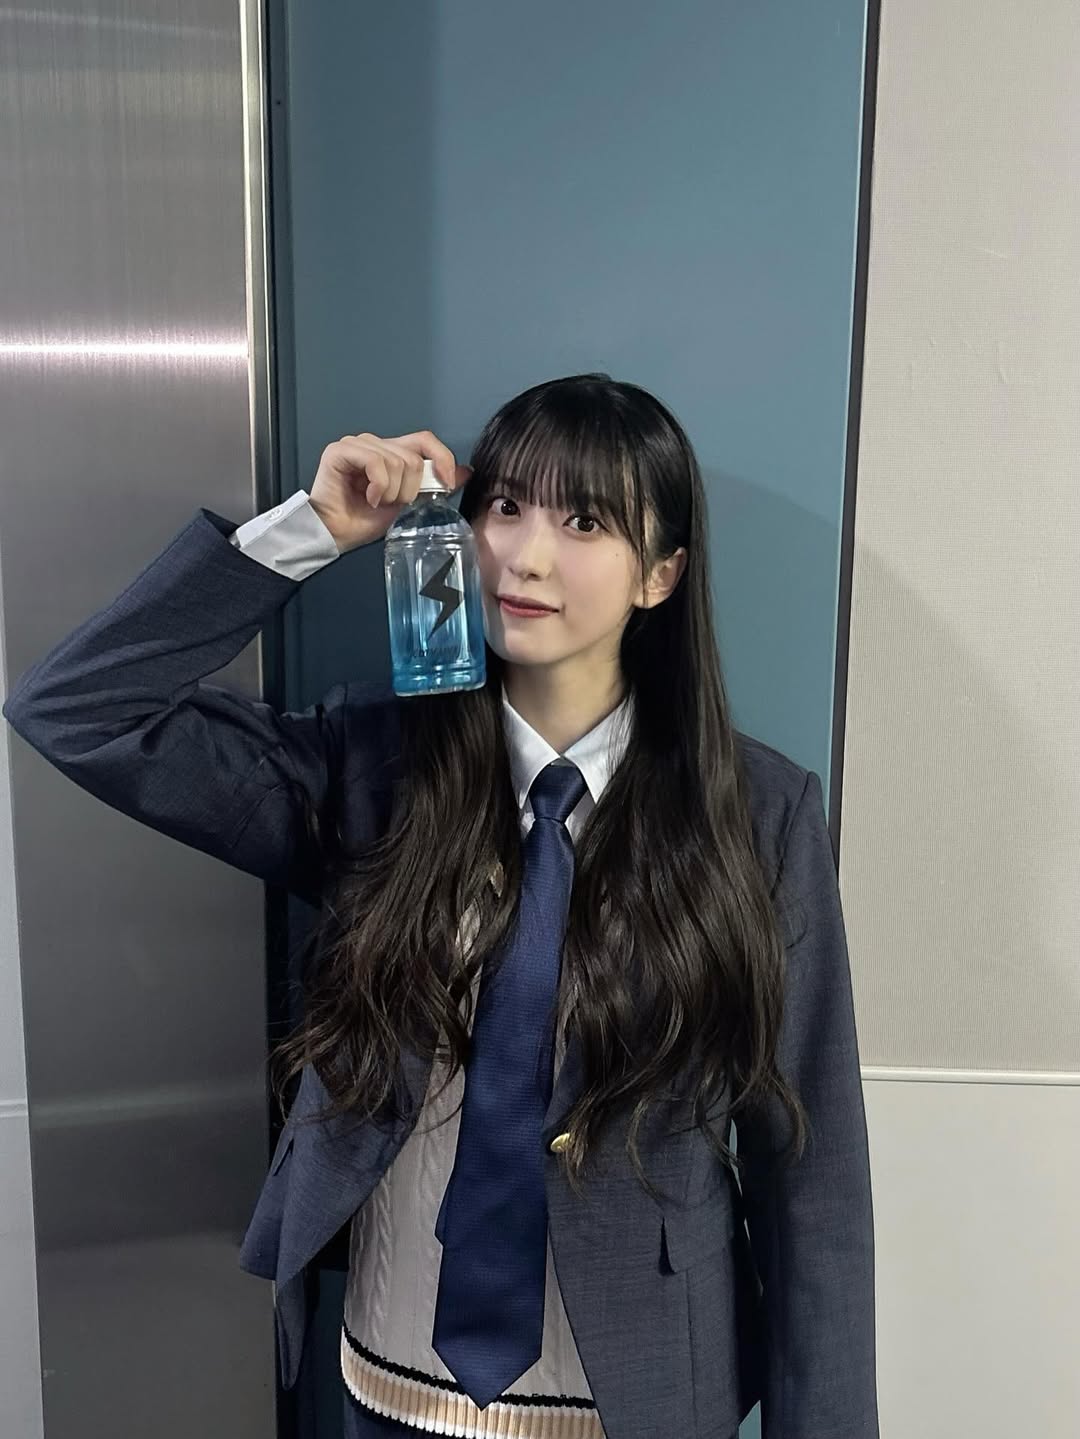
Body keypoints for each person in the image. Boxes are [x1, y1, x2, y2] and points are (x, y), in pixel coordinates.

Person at [2, 373, 878, 1439]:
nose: (527, 555)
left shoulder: (759, 815)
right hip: (392, 1384)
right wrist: (311, 530)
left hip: (644, 1397)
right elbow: (78, 707)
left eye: (585, 521)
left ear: (661, 573)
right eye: (504, 506)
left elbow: (811, 1176)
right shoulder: (373, 767)